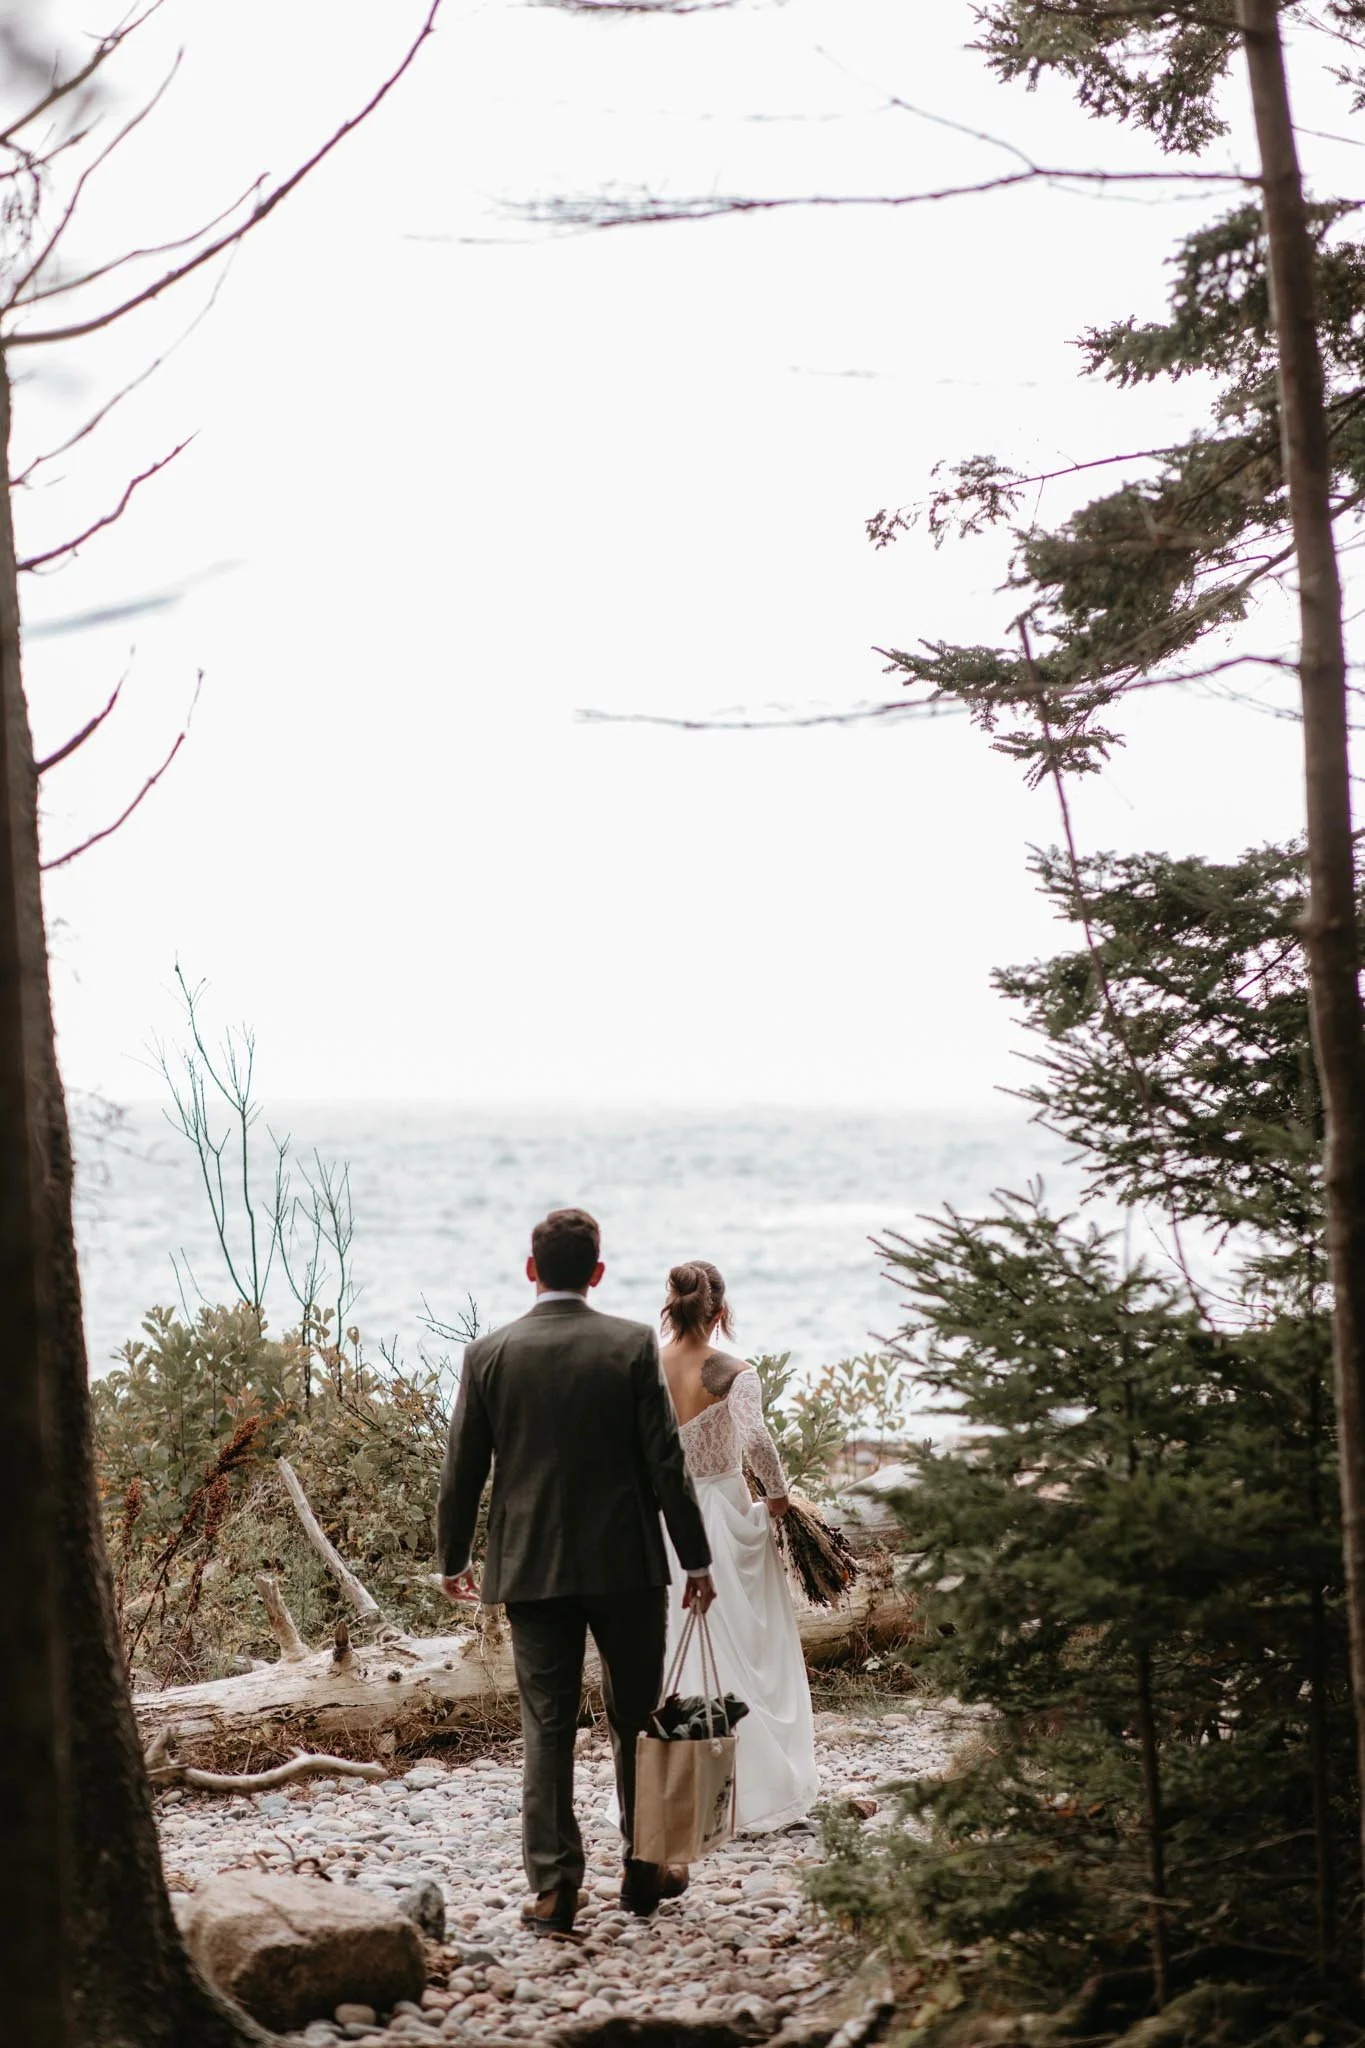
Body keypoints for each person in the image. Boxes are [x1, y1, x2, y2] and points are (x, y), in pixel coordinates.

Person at [436, 1208, 717, 1938]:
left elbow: (461, 1470)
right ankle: (645, 1868)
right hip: (627, 1564)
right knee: (639, 1717)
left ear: (531, 1270)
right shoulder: (628, 1345)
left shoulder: (489, 1353)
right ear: (596, 1272)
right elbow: (665, 1463)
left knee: (548, 1726)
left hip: (529, 1567)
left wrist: (453, 1558)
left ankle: (555, 1890)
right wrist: (695, 1557)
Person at [658, 1260, 820, 1833]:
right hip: (721, 1514)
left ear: (671, 1308)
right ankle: (754, 1788)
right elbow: (755, 1436)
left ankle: (678, 1787)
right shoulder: (734, 1372)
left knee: (679, 1647)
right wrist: (777, 1498)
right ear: (720, 1312)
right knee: (749, 1647)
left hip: (664, 1521)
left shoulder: (648, 1368)